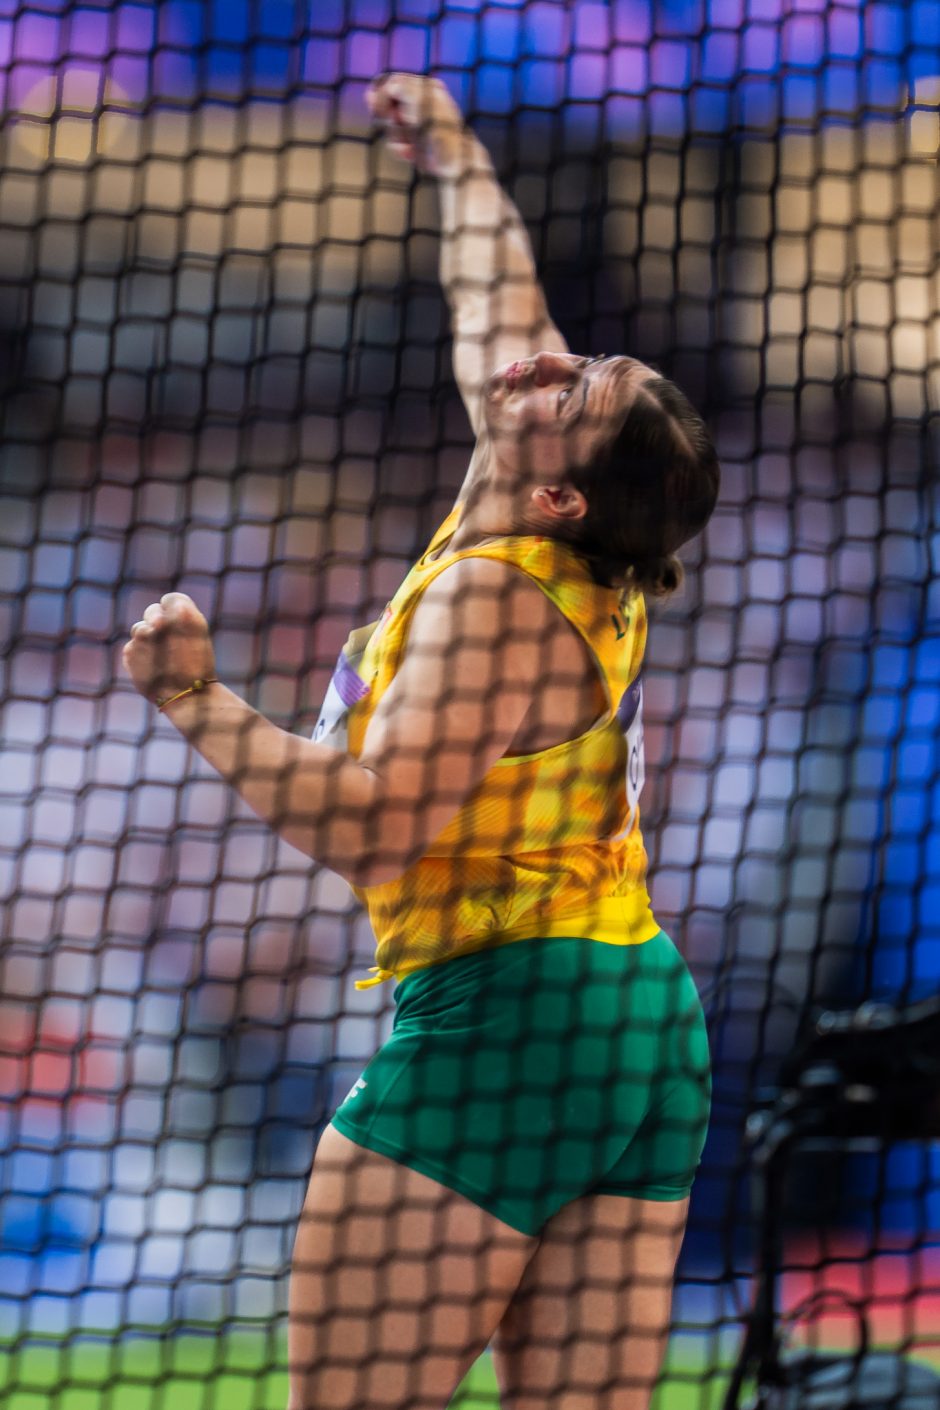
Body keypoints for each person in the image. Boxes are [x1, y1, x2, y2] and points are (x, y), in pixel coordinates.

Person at [122, 73, 718, 1410]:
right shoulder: (565, 535)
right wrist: (455, 160)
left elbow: (379, 825)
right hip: (635, 1019)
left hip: (507, 1020)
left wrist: (195, 701)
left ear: (556, 484)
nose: (553, 358)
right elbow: (499, 300)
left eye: (578, 386)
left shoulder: (493, 599)